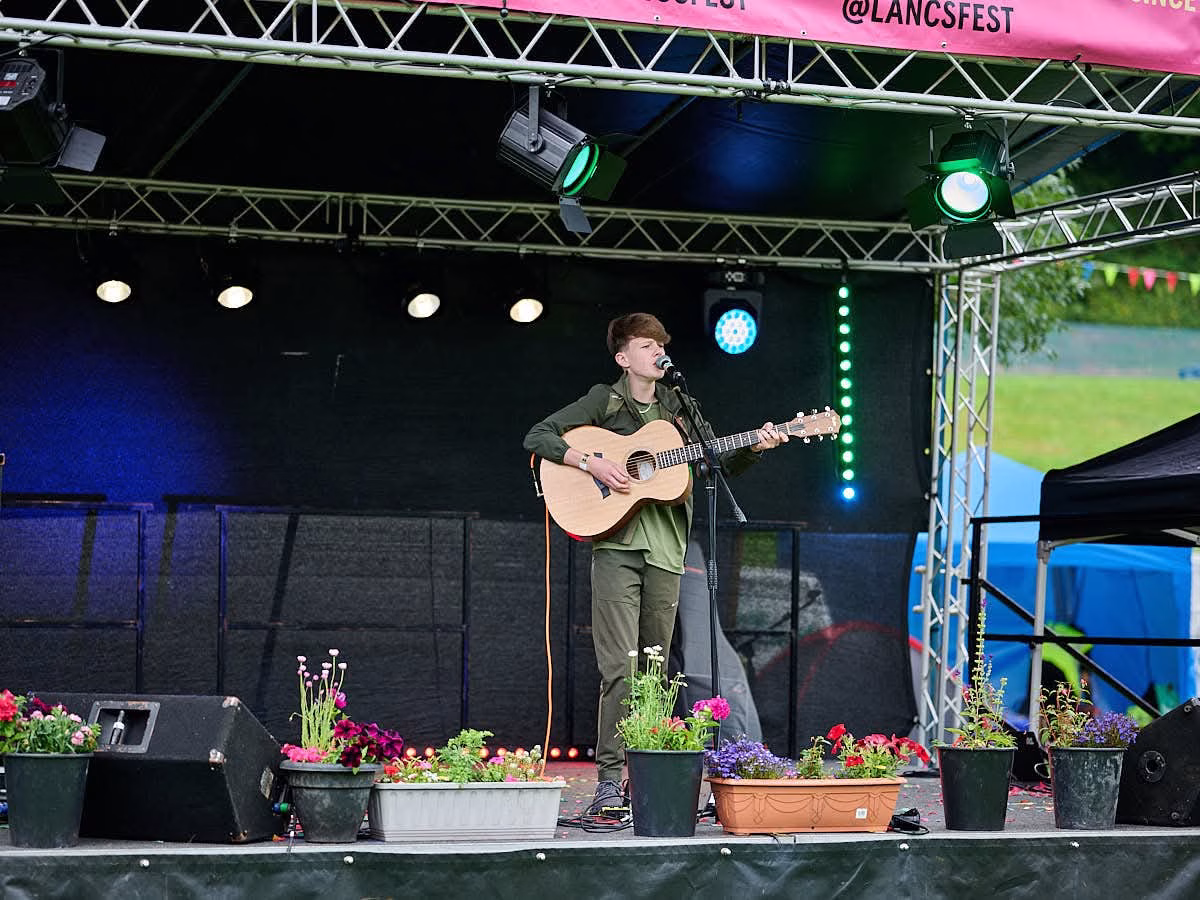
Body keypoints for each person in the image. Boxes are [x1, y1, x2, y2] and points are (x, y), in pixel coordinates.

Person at [523, 312, 787, 814]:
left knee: (654, 671)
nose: (657, 352)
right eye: (646, 346)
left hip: (668, 553)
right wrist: (593, 462)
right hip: (618, 549)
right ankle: (608, 780)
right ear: (623, 357)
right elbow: (539, 435)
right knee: (620, 669)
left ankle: (644, 780)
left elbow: (714, 461)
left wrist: (756, 445)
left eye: (660, 344)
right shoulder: (604, 400)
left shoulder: (679, 406)